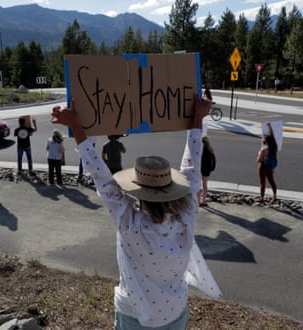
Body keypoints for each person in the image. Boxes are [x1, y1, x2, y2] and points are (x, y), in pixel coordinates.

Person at [51, 94, 221, 329]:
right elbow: (192, 169)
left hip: (134, 315)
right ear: (171, 188)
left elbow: (102, 178)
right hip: (174, 312)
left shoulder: (131, 224)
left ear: (138, 191)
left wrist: (77, 126)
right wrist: (197, 119)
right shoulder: (185, 216)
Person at [256, 122, 278, 204]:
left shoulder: (263, 150)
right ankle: (274, 196)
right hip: (270, 167)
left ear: (266, 142)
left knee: (262, 183)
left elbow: (258, 160)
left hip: (263, 167)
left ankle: (262, 198)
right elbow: (272, 136)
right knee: (272, 181)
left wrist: (259, 153)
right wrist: (270, 127)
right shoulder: (274, 147)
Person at [199, 136, 216, 207]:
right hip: (207, 170)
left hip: (200, 169)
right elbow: (214, 160)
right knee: (204, 185)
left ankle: (198, 200)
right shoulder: (210, 150)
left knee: (198, 185)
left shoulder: (199, 150)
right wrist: (212, 168)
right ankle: (203, 200)